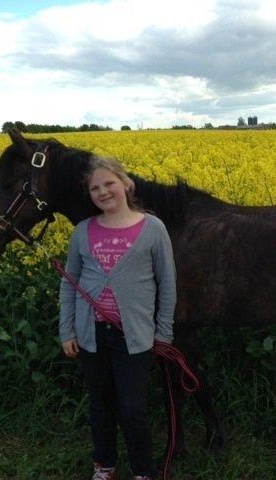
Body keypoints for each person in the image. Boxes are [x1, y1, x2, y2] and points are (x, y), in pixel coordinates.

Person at [58, 156, 177, 480]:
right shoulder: (83, 231)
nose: (103, 191)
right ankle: (105, 466)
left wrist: (163, 333)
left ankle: (143, 471)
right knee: (100, 406)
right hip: (91, 334)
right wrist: (67, 330)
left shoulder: (152, 228)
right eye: (95, 188)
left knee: (133, 408)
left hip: (134, 335)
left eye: (109, 183)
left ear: (126, 184)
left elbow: (167, 284)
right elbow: (69, 284)